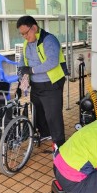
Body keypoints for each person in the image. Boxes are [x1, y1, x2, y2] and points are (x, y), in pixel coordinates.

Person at [16, 15, 68, 147]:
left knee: (53, 115)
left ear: (34, 27)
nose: (25, 37)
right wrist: (22, 71)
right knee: (38, 111)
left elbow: (52, 62)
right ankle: (45, 133)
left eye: (26, 33)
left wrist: (31, 70)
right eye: (22, 34)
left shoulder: (49, 40)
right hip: (36, 85)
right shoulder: (27, 43)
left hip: (51, 84)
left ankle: (59, 144)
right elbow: (23, 59)